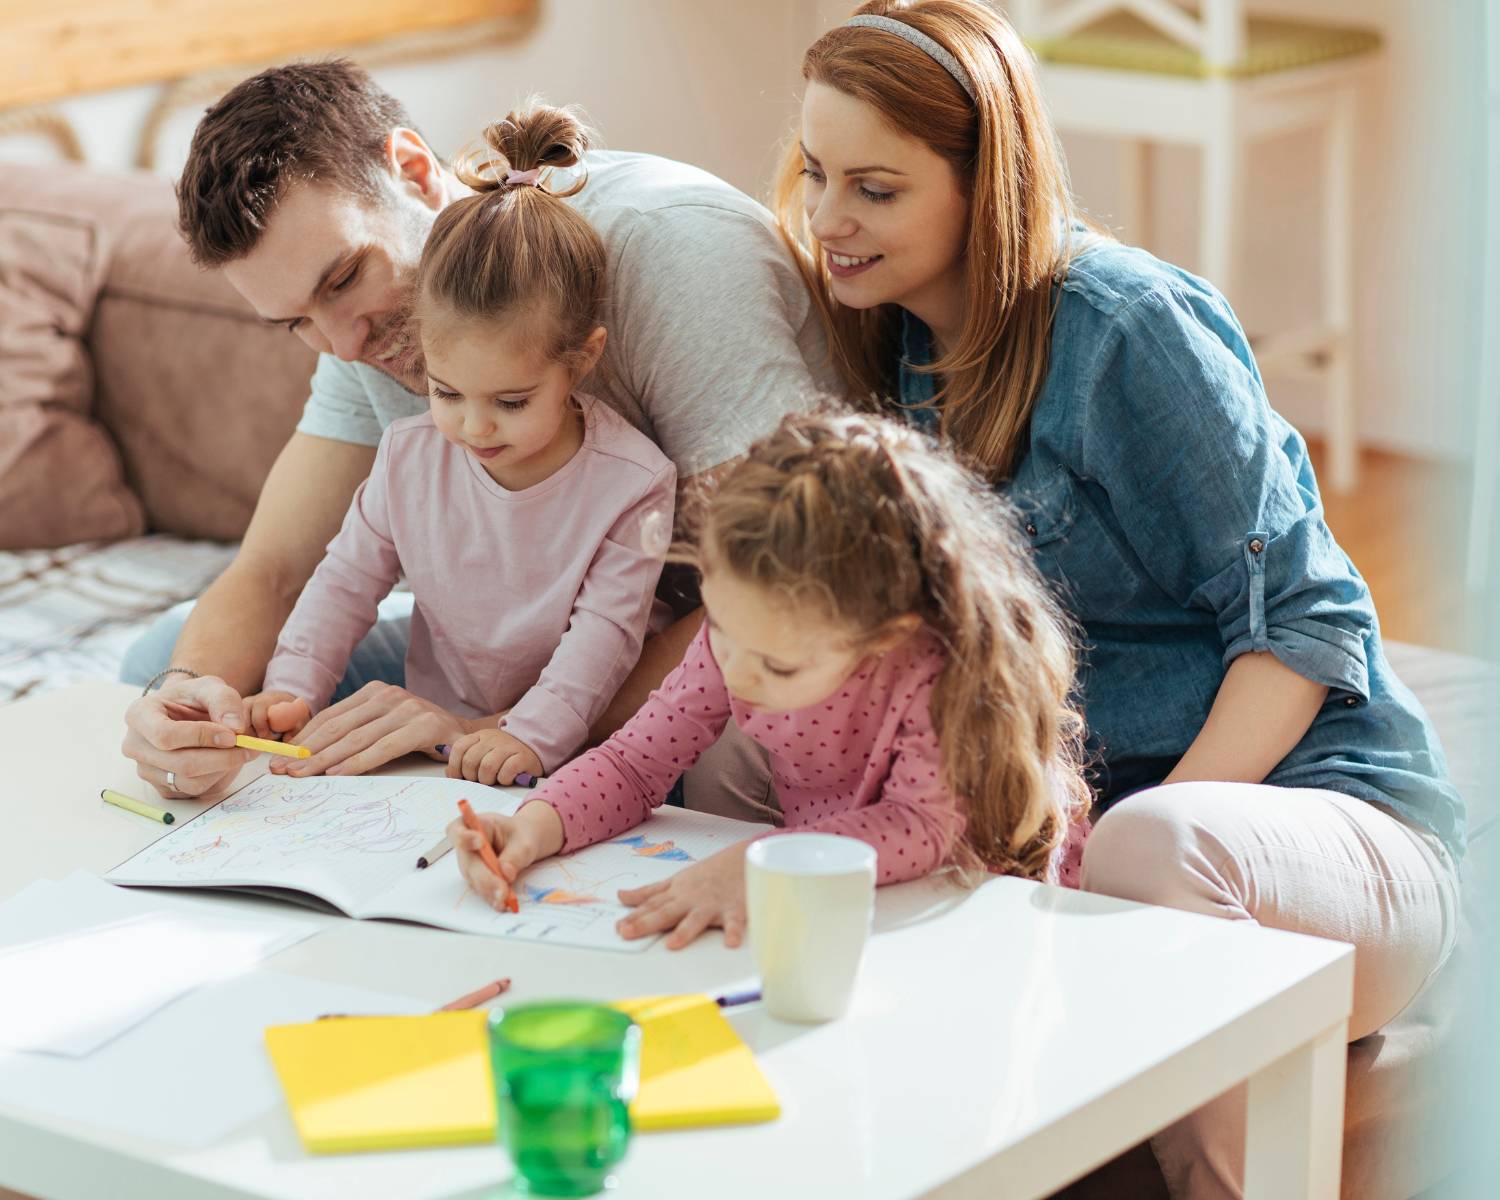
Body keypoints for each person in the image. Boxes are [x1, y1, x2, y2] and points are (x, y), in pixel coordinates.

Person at [773, 3, 1463, 1197]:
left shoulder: (1126, 330)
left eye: (875, 189)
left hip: (1318, 835)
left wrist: (1096, 895)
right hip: (1107, 854)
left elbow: (1309, 627)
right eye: (818, 173)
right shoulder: (892, 349)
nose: (830, 220)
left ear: (983, 186)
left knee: (1154, 844)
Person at [119, 61, 829, 815]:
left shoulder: (671, 250)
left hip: (735, 638)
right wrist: (187, 705)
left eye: (343, 280)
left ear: (416, 173)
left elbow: (790, 585)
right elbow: (272, 570)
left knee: (736, 743)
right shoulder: (366, 333)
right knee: (162, 659)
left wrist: (485, 733)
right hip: (531, 657)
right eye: (294, 321)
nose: (342, 343)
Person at [447, 410, 1092, 949]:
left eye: (779, 665)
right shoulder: (745, 633)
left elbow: (921, 827)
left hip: (974, 917)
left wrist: (762, 867)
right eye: (721, 629)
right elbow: (635, 764)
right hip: (836, 904)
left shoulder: (937, 669)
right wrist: (536, 823)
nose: (737, 671)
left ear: (884, 638)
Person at [244, 104, 674, 787]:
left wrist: (529, 736)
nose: (474, 429)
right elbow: (346, 582)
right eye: (446, 394)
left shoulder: (634, 481)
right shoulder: (409, 455)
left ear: (582, 360)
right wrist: (292, 686)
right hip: (438, 744)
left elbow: (606, 638)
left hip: (585, 745)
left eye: (511, 402)